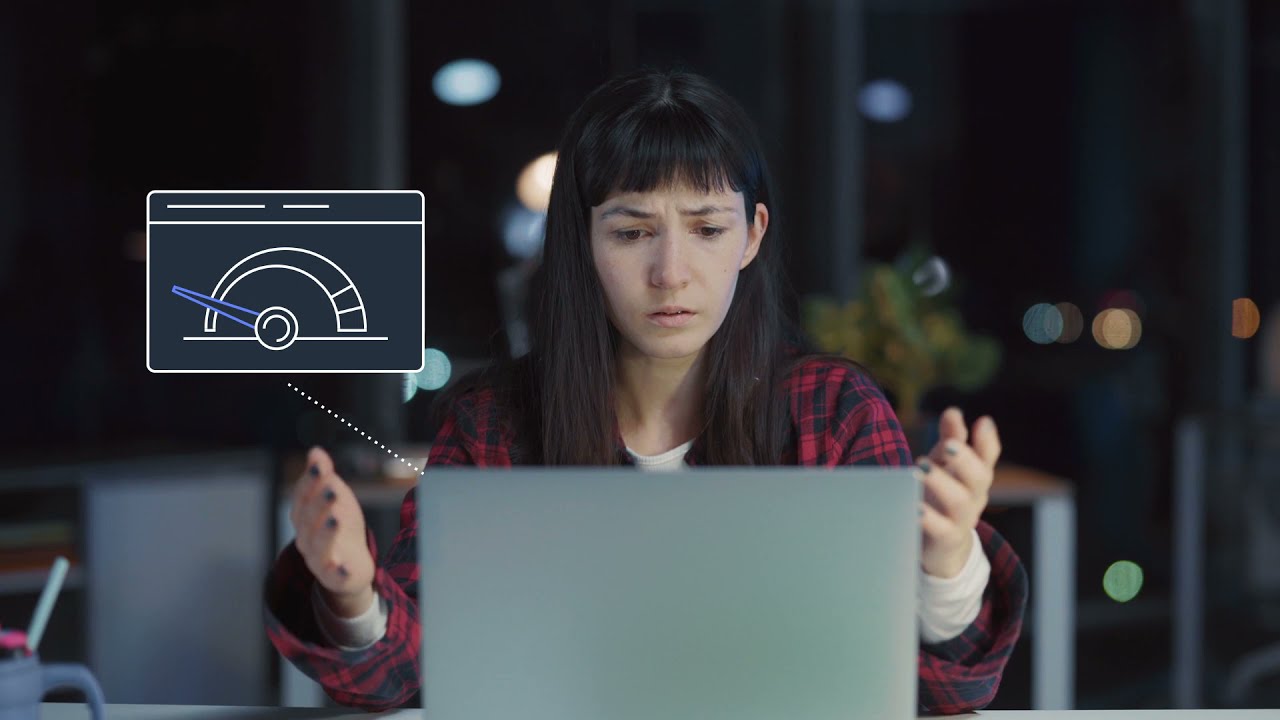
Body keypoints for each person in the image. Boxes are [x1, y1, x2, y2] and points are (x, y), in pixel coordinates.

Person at [264, 68, 1027, 715]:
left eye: (706, 228)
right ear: (582, 240)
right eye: (631, 233)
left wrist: (949, 561)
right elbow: (405, 673)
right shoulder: (493, 421)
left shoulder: (835, 412)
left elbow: (943, 692)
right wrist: (353, 593)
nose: (670, 272)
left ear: (753, 235)